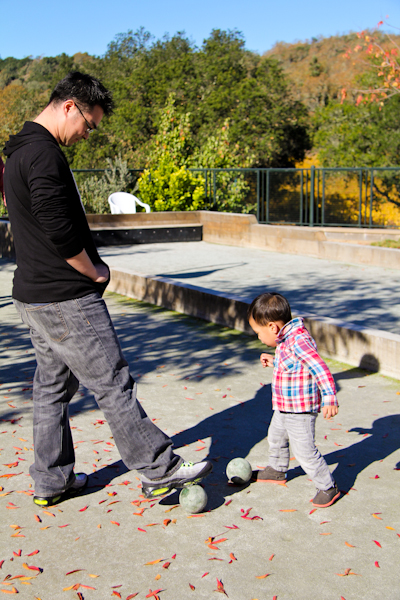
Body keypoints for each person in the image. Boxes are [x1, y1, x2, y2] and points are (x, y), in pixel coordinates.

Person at [3, 72, 211, 507]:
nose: (87, 134)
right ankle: (159, 470)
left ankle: (52, 480)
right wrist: (93, 271)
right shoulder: (44, 154)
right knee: (113, 382)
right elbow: (58, 229)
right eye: (88, 124)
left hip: (34, 295)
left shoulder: (19, 149)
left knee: (51, 389)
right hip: (66, 297)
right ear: (69, 106)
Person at [248, 292, 340, 508]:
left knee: (304, 451)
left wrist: (329, 397)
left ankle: (328, 486)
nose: (258, 337)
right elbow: (293, 364)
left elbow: (319, 367)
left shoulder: (298, 340)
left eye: (258, 333)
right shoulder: (286, 338)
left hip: (300, 410)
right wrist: (274, 361)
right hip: (284, 407)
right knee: (275, 437)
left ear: (272, 327)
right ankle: (277, 470)